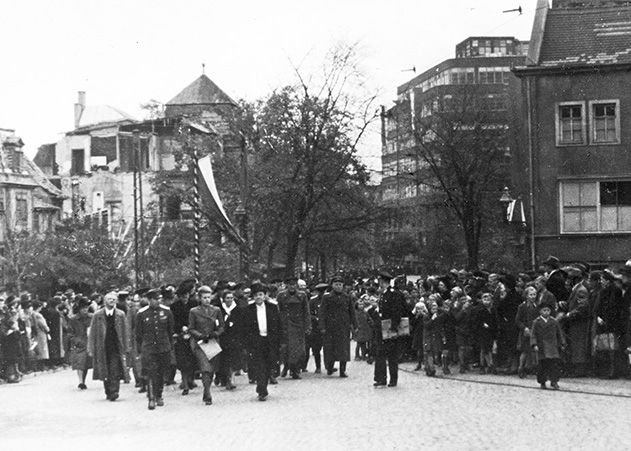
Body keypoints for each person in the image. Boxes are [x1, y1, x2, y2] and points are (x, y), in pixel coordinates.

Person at [243, 283, 283, 401]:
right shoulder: (248, 309)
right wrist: (247, 344)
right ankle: (261, 389)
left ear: (265, 295)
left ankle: (264, 384)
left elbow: (278, 324)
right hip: (256, 341)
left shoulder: (272, 307)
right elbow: (245, 328)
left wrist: (280, 340)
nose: (258, 297)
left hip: (270, 340)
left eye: (260, 294)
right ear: (253, 297)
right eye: (256, 295)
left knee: (269, 363)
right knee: (259, 364)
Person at [136, 289, 174, 410]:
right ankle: (151, 398)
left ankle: (159, 395)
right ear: (149, 300)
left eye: (159, 298)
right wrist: (141, 348)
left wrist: (169, 346)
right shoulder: (141, 313)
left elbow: (170, 330)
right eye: (155, 299)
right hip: (149, 348)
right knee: (151, 372)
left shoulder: (166, 311)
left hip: (163, 347)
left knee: (162, 372)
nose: (158, 301)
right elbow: (138, 333)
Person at [87, 292, 130, 401]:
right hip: (103, 347)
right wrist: (91, 348)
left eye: (114, 299)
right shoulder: (98, 315)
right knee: (105, 370)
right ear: (105, 301)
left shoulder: (121, 314)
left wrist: (126, 346)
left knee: (115, 369)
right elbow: (92, 333)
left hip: (116, 346)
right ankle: (108, 390)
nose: (112, 301)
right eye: (109, 299)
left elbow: (125, 331)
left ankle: (114, 392)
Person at [370, 271, 409, 387]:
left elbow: (397, 311)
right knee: (380, 353)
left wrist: (394, 327)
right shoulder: (384, 294)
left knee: (392, 354)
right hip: (382, 327)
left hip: (390, 327)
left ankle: (393, 379)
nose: (379, 284)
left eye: (380, 282)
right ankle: (381, 378)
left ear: (383, 281)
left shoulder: (393, 294)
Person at [188, 285, 225, 405]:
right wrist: (200, 336)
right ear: (199, 298)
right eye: (204, 297)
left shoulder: (216, 310)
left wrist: (216, 333)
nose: (207, 300)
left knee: (212, 369)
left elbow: (221, 326)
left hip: (212, 342)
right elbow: (191, 328)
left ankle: (206, 389)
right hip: (200, 343)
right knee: (205, 368)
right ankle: (208, 393)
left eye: (209, 297)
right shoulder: (194, 311)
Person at [319, 275, 357, 378]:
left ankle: (342, 370)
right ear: (332, 285)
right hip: (330, 327)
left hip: (343, 327)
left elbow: (352, 312)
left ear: (343, 286)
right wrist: (322, 326)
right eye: (336, 284)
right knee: (330, 348)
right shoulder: (327, 297)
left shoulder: (347, 297)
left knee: (343, 349)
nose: (338, 286)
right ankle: (330, 367)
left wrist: (355, 325)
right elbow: (322, 312)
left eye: (340, 284)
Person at [277, 276, 311, 379]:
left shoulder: (302, 295)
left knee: (298, 350)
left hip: (298, 326)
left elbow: (306, 311)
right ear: (287, 285)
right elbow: (278, 311)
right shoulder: (281, 295)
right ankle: (286, 367)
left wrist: (308, 326)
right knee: (285, 349)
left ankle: (295, 370)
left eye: (294, 284)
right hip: (285, 325)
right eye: (290, 284)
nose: (292, 286)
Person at [169, 279, 199, 395]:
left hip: (192, 334)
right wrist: (180, 329)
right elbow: (173, 321)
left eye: (186, 295)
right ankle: (185, 382)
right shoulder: (174, 307)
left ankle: (191, 379)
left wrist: (191, 328)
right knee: (182, 360)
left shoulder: (194, 304)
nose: (185, 298)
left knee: (192, 359)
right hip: (180, 336)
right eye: (182, 296)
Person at [531, 301, 566, 390]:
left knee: (554, 365)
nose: (546, 312)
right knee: (542, 366)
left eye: (548, 310)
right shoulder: (536, 322)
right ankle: (542, 382)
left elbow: (559, 333)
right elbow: (533, 334)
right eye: (544, 310)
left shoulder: (554, 322)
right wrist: (534, 344)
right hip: (542, 346)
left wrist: (562, 343)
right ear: (540, 311)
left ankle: (554, 381)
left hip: (552, 346)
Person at [218, 290, 244, 390]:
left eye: (231, 298)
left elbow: (241, 323)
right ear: (224, 299)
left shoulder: (237, 309)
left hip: (234, 337)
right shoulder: (220, 309)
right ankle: (225, 378)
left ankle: (231, 379)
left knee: (233, 358)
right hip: (223, 337)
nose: (229, 300)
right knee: (224, 359)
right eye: (227, 298)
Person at [68, 296, 93, 390]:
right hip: (79, 343)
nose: (85, 310)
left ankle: (83, 380)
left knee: (85, 364)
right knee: (79, 362)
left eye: (86, 308)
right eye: (83, 308)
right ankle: (80, 382)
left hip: (89, 342)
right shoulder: (73, 319)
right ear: (79, 309)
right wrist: (76, 341)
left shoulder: (92, 317)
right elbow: (70, 332)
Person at [515, 286, 540, 378]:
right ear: (526, 296)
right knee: (525, 351)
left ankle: (532, 368)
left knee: (534, 350)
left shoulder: (537, 306)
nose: (533, 297)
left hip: (534, 331)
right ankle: (521, 367)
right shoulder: (522, 306)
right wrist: (524, 328)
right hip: (526, 331)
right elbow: (517, 320)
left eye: (534, 295)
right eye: (531, 295)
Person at [304, 283, 327, 373]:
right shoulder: (313, 301)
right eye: (320, 291)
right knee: (311, 348)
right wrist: (315, 318)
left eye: (323, 291)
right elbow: (308, 313)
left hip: (324, 327)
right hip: (315, 328)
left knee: (321, 349)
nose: (321, 293)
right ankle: (306, 366)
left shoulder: (327, 300)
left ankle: (324, 366)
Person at [31, 300, 50, 371]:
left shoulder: (32, 314)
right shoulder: (38, 315)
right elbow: (43, 325)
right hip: (41, 333)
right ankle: (42, 366)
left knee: (38, 349)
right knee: (42, 349)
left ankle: (39, 365)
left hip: (35, 333)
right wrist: (47, 329)